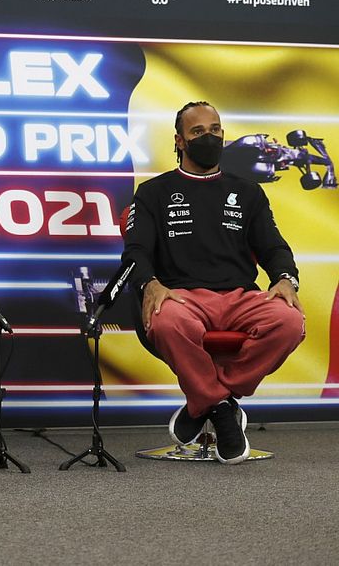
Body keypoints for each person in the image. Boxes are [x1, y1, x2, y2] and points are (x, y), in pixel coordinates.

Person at [122, 101, 305, 464]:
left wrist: (286, 279)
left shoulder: (249, 192)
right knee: (167, 320)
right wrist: (151, 284)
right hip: (183, 298)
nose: (210, 138)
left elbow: (273, 247)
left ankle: (206, 401)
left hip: (240, 298)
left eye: (216, 130)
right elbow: (136, 251)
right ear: (179, 141)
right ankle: (223, 410)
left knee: (289, 322)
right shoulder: (153, 192)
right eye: (198, 132)